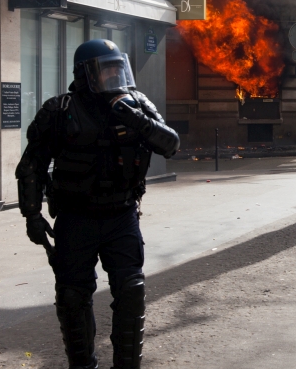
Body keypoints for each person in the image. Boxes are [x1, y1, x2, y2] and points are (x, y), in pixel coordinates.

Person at [16, 40, 180, 369]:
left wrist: (136, 119)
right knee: (72, 297)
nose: (115, 76)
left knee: (131, 292)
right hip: (76, 219)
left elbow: (171, 144)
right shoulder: (59, 110)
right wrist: (31, 215)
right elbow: (31, 164)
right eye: (108, 70)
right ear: (86, 74)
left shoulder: (137, 103)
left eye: (119, 68)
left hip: (121, 215)